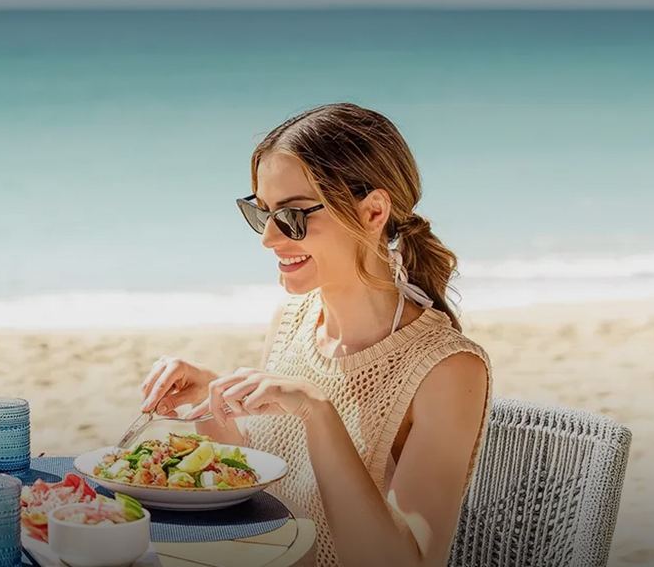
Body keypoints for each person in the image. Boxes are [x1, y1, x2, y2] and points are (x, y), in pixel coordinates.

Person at [137, 103, 491, 567]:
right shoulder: (293, 319)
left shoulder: (447, 369)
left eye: (292, 215)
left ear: (373, 211)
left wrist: (319, 413)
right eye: (261, 213)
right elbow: (271, 501)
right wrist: (212, 404)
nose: (268, 238)